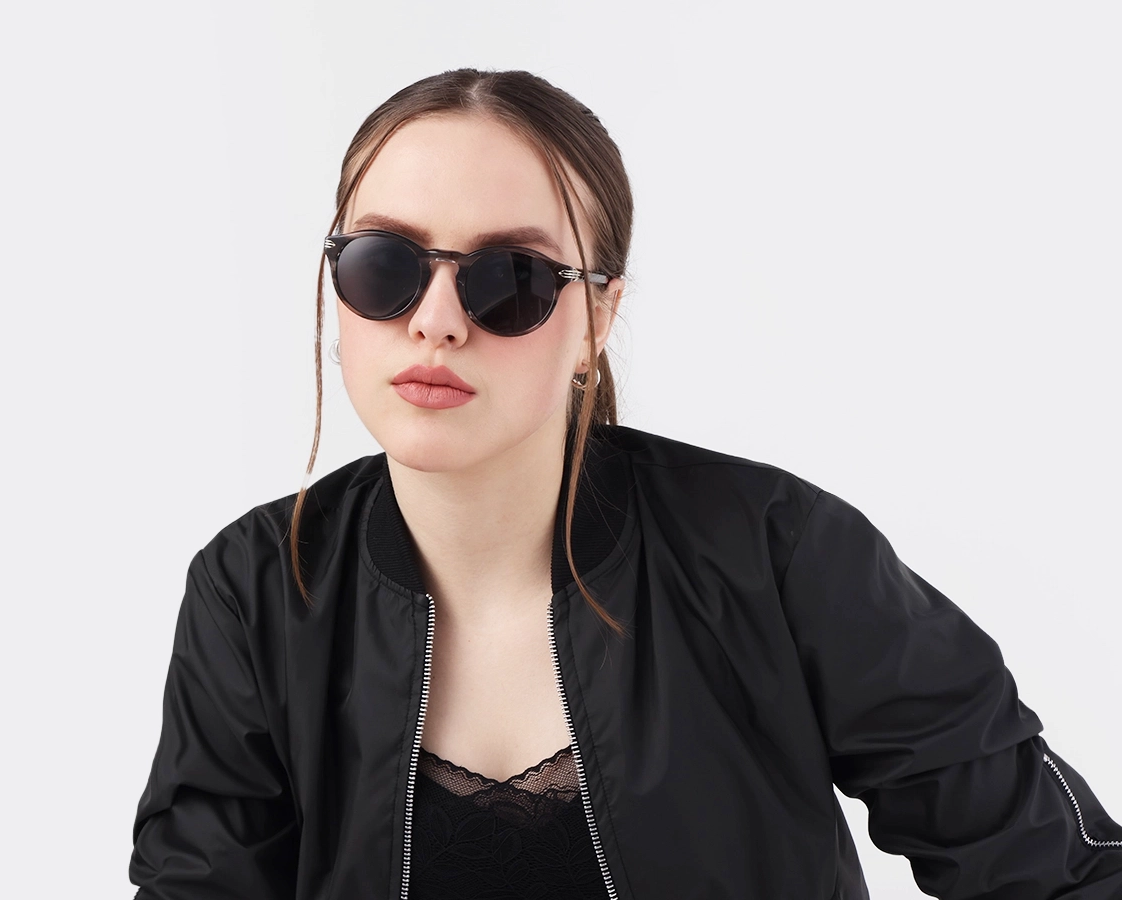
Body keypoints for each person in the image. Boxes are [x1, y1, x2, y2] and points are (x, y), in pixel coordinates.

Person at [128, 68, 1122, 899]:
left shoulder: (776, 554)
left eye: (510, 277)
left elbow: (1057, 869)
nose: (435, 320)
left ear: (597, 318)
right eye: (385, 264)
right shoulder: (256, 589)